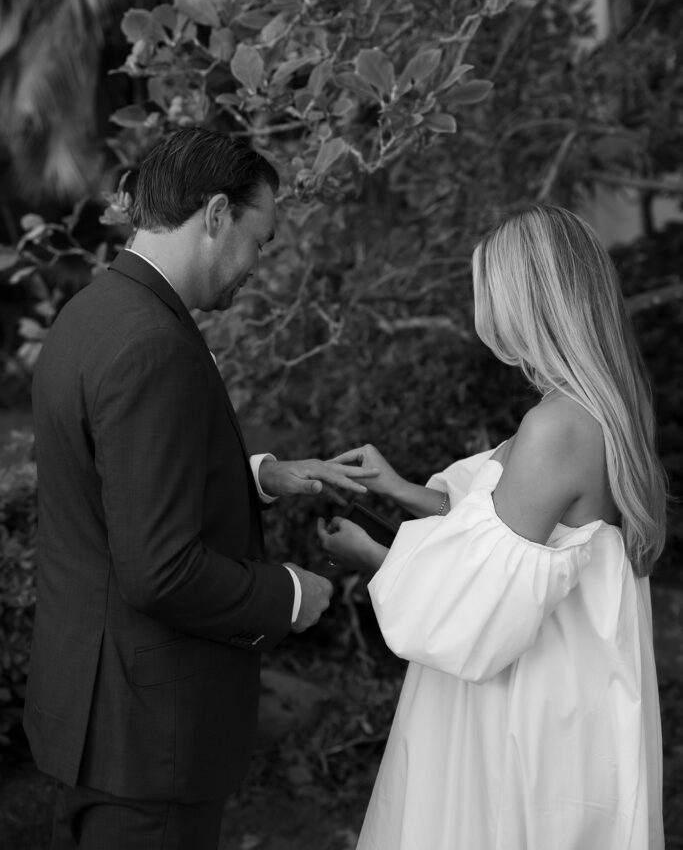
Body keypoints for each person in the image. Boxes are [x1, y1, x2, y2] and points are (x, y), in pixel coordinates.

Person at [25, 127, 378, 850]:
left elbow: (113, 489)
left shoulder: (92, 314)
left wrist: (259, 476)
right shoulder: (153, 344)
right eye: (261, 239)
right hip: (149, 734)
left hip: (96, 713)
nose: (257, 262)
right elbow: (160, 570)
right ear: (215, 213)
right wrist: (286, 592)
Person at [318, 204, 666, 850]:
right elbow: (522, 530)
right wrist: (399, 489)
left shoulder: (556, 427)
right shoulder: (607, 404)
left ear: (527, 303)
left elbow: (471, 608)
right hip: (575, 680)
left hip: (529, 699)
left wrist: (371, 555)